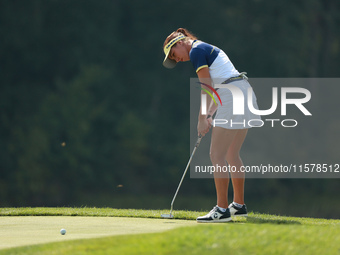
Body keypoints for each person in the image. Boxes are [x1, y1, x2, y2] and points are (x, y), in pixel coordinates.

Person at [162, 28, 261, 223]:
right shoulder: (205, 48)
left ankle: (222, 210)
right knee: (232, 154)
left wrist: (201, 118)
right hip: (243, 92)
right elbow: (219, 87)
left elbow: (206, 86)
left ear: (181, 42)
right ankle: (239, 206)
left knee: (217, 155)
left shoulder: (197, 51)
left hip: (233, 95)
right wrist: (208, 115)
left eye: (174, 54)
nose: (177, 59)